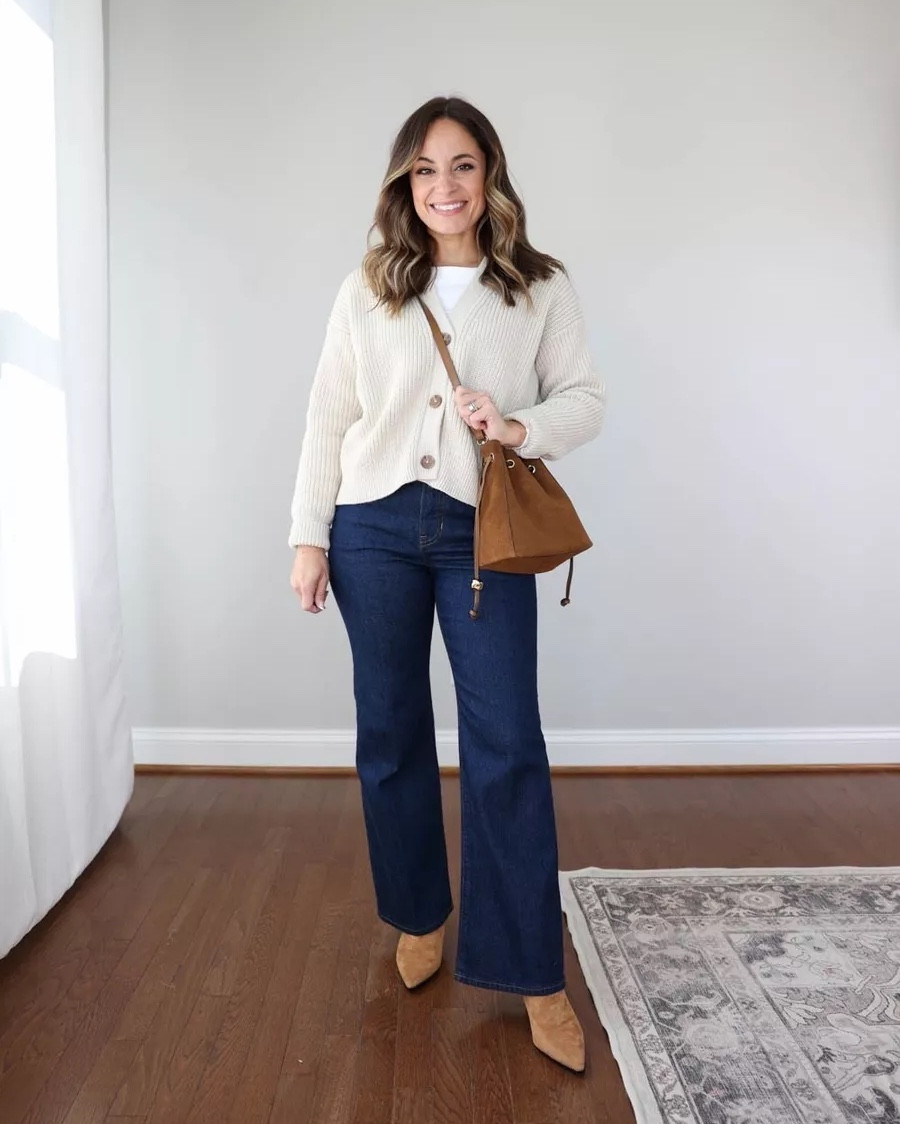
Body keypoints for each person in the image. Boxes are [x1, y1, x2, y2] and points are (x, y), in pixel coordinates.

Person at [288, 95, 605, 1073]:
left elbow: (585, 399)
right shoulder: (370, 287)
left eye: (462, 166)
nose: (445, 187)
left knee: (507, 740)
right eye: (425, 170)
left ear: (490, 176)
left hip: (483, 529)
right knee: (389, 730)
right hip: (373, 528)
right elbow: (329, 415)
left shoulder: (539, 286)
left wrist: (514, 427)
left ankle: (532, 971)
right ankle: (419, 912)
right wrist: (309, 537)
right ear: (404, 184)